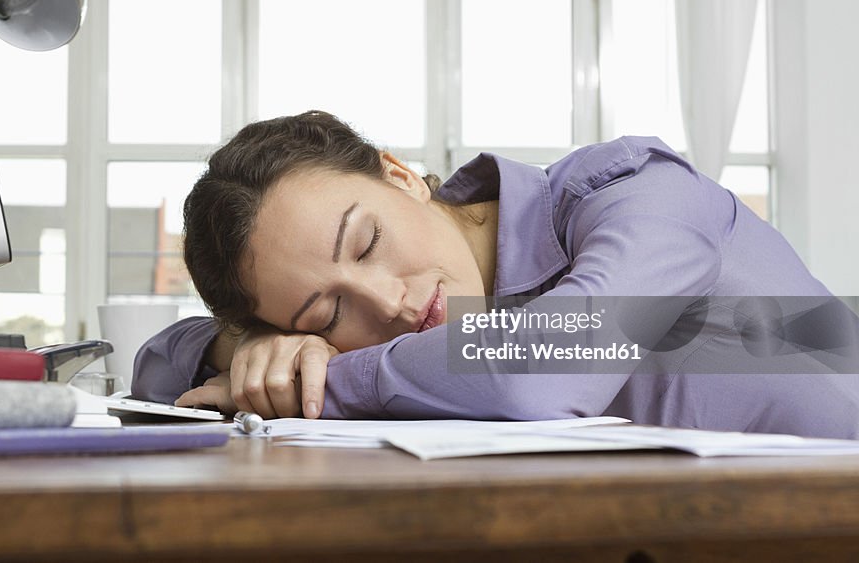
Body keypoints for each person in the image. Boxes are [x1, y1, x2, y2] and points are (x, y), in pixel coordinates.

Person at [132, 111, 859, 438]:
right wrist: (243, 352)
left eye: (368, 241)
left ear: (402, 176)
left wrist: (328, 379)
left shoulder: (631, 192)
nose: (389, 300)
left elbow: (537, 373)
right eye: (326, 316)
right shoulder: (443, 322)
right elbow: (159, 368)